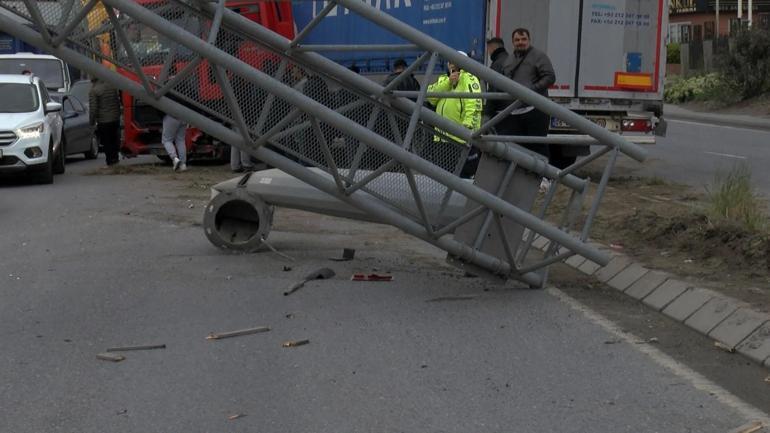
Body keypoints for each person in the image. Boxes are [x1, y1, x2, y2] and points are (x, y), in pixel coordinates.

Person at [426, 51, 482, 178]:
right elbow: (430, 97)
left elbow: (473, 105)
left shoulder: (469, 78)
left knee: (462, 177)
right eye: (450, 61)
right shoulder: (444, 79)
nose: (452, 64)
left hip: (460, 139)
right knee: (443, 177)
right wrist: (448, 83)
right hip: (441, 138)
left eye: (455, 61)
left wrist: (467, 131)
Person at [88, 76, 122, 166]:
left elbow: (93, 109)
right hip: (115, 118)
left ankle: (110, 161)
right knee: (114, 140)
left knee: (107, 142)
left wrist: (91, 121)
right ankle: (116, 159)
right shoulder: (112, 86)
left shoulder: (94, 91)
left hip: (104, 120)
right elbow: (118, 101)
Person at [484, 37, 509, 119]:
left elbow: (493, 89)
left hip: (500, 109)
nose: (489, 53)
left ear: (492, 48)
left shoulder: (497, 64)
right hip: (510, 107)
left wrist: (487, 113)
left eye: (488, 50)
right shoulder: (510, 59)